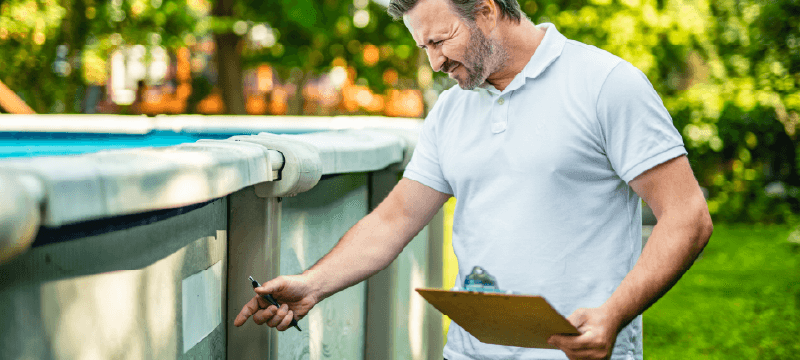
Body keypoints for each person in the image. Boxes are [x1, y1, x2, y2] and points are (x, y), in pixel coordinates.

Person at [234, 0, 714, 358]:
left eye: (440, 41)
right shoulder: (451, 110)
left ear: (486, 10)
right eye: (424, 47)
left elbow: (687, 218)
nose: (434, 63)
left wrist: (614, 315)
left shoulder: (606, 84)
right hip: (469, 353)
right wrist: (313, 284)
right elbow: (395, 219)